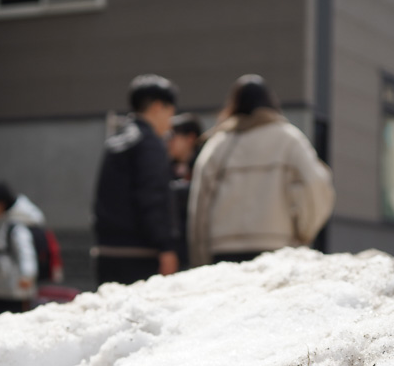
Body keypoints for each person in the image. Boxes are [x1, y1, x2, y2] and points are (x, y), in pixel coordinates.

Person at [188, 74, 335, 266]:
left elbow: (199, 205)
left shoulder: (218, 145)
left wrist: (200, 258)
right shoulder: (290, 139)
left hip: (224, 251)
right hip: (278, 247)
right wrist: (304, 232)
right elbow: (316, 183)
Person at [92, 74, 180, 285]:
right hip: (139, 253)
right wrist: (166, 247)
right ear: (158, 107)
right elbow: (152, 197)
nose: (170, 123)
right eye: (170, 113)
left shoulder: (116, 141)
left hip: (106, 250)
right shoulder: (149, 143)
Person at [0, 181, 44, 322]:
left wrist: (27, 275)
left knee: (12, 326)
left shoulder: (15, 228)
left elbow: (26, 253)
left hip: (15, 293)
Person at [167, 112, 203, 268]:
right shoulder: (167, 165)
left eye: (173, 137)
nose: (169, 142)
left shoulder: (203, 162)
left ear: (190, 138)